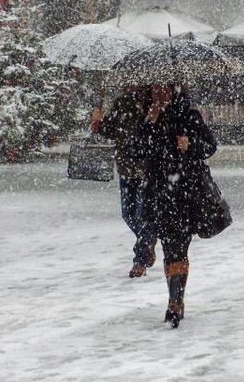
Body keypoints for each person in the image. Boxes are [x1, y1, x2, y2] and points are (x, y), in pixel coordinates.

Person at [139, 84, 218, 327]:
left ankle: (174, 302)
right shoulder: (149, 117)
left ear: (175, 90)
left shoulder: (189, 116)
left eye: (164, 89)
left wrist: (190, 145)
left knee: (178, 248)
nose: (159, 95)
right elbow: (137, 150)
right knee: (169, 247)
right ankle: (175, 298)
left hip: (185, 193)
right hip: (158, 194)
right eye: (154, 90)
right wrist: (149, 124)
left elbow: (210, 145)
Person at [92, 86, 158, 277]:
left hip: (148, 168)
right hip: (126, 166)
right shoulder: (122, 102)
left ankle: (140, 260)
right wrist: (99, 123)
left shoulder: (155, 102)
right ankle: (148, 240)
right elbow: (112, 130)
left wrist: (153, 119)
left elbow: (160, 134)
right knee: (128, 214)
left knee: (143, 215)